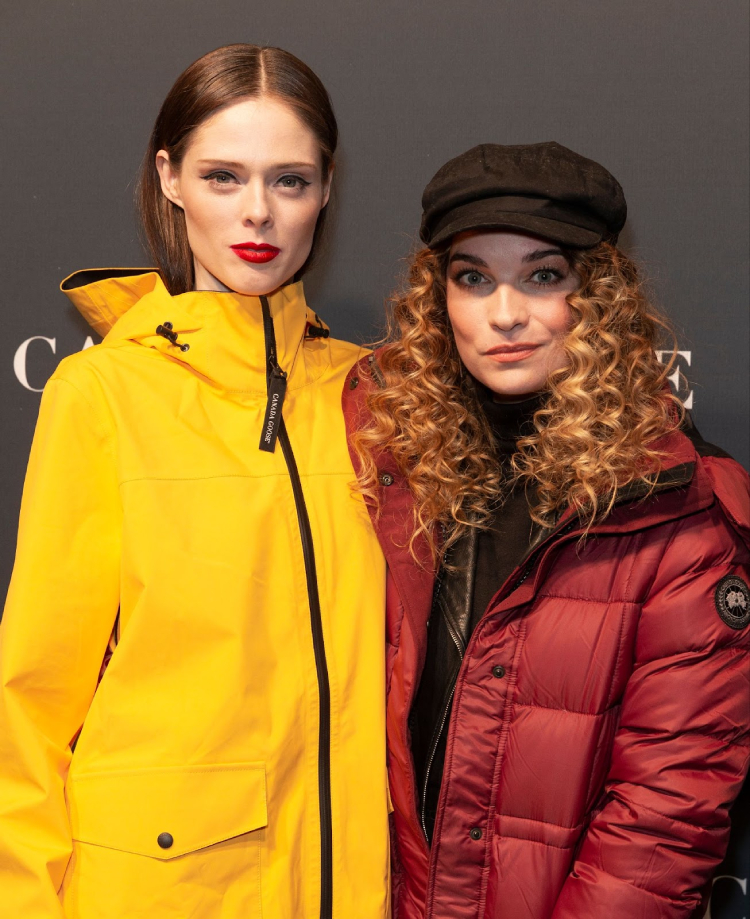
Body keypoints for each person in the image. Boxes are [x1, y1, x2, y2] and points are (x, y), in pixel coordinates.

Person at [0, 44, 390, 919]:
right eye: (223, 176)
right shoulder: (102, 392)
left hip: (352, 884)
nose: (258, 212)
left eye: (290, 180)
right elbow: (30, 702)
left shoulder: (377, 396)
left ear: (327, 188)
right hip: (161, 890)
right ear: (170, 179)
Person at [344, 142, 750, 918]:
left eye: (542, 275)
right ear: (440, 301)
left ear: (596, 298)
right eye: (473, 278)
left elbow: (667, 815)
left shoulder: (677, 504)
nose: (505, 313)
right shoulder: (391, 466)